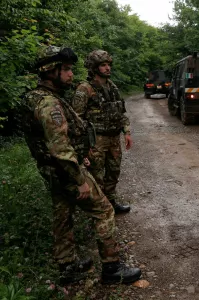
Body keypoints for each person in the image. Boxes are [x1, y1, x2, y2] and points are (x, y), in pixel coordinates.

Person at [20, 45, 141, 284]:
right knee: (105, 210)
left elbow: (64, 136)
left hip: (54, 170)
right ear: (50, 71)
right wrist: (79, 179)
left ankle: (67, 266)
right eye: (65, 70)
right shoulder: (49, 104)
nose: (70, 74)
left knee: (62, 214)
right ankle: (112, 269)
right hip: (65, 170)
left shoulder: (37, 97)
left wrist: (82, 151)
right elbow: (60, 148)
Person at [71, 50, 132, 214]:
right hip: (96, 140)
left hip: (113, 139)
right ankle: (98, 210)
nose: (107, 68)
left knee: (113, 172)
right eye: (103, 65)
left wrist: (126, 131)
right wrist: (84, 145)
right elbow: (77, 119)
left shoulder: (112, 87)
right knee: (96, 175)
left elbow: (121, 112)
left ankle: (111, 203)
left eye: (108, 65)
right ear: (94, 67)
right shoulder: (85, 89)